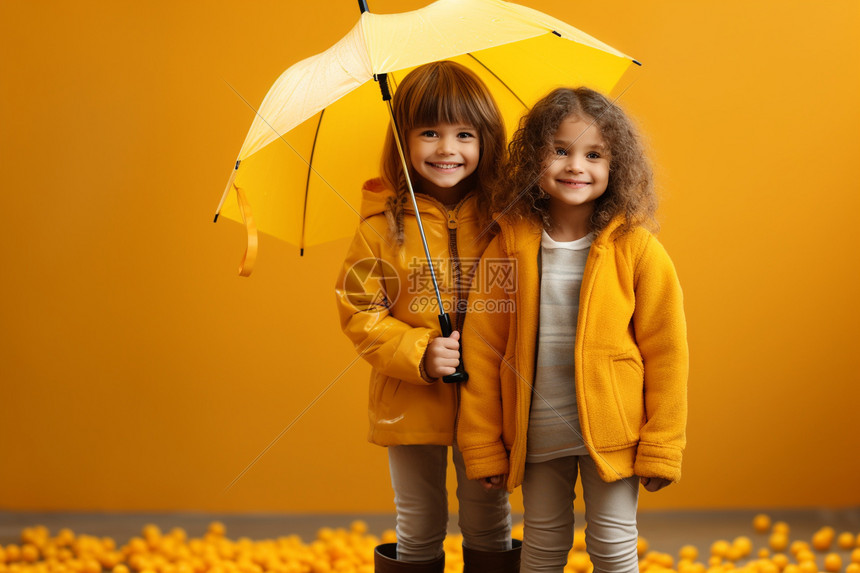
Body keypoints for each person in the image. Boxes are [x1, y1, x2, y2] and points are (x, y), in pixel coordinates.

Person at [457, 87, 689, 573]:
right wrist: (482, 446)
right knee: (542, 545)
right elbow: (481, 347)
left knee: (613, 544)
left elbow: (668, 352)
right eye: (559, 151)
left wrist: (661, 443)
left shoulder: (638, 250)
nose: (575, 165)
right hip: (536, 435)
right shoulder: (507, 247)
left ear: (615, 166)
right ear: (532, 161)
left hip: (614, 435)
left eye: (594, 154)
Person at [335, 60, 519, 573]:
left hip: (488, 399)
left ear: (486, 141)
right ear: (403, 141)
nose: (447, 149)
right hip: (410, 402)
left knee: (488, 515)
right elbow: (358, 309)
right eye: (429, 133)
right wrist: (419, 350)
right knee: (419, 518)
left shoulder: (505, 217)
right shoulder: (380, 227)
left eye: (464, 134)